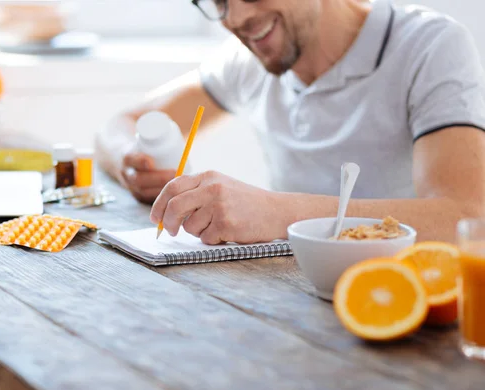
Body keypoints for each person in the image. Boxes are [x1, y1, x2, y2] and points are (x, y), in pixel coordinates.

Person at [95, 0, 485, 244]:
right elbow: (118, 125)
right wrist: (131, 159)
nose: (236, 18)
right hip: (293, 297)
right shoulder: (246, 61)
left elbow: (466, 217)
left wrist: (275, 213)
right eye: (218, 1)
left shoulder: (429, 46)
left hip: (403, 301)